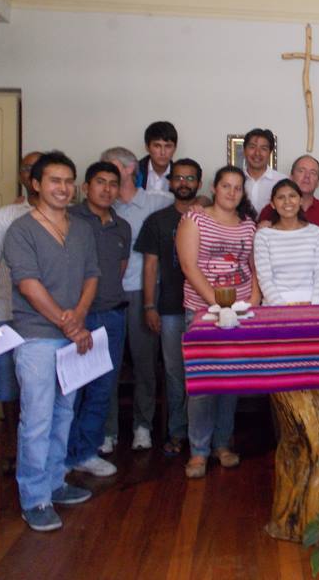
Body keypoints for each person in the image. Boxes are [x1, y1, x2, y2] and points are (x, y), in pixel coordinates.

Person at [3, 151, 99, 532]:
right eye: (55, 180)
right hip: (37, 338)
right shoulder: (21, 230)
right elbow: (29, 285)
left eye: (68, 181)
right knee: (37, 419)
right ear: (36, 184)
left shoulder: (82, 229)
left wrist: (79, 316)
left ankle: (55, 482)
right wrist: (67, 323)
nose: (63, 188)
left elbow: (92, 276)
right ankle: (34, 498)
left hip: (74, 336)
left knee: (64, 415)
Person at [176, 165, 261, 478]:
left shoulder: (248, 225)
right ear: (214, 188)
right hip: (203, 311)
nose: (232, 192)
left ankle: (222, 443)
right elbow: (189, 265)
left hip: (239, 312)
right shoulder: (195, 219)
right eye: (226, 186)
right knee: (202, 382)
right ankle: (198, 450)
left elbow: (254, 266)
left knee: (229, 380)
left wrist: (254, 299)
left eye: (238, 188)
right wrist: (217, 303)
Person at [104, 146, 173, 452]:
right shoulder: (103, 205)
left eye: (111, 167)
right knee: (107, 366)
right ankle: (107, 431)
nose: (105, 174)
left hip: (144, 292)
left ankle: (142, 426)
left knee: (145, 364)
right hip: (105, 295)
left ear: (130, 168)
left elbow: (193, 203)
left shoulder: (157, 201)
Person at [64, 162, 131, 478]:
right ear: (86, 187)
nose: (107, 189)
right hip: (76, 316)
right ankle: (63, 456)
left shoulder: (122, 226)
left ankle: (85, 452)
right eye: (100, 182)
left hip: (113, 314)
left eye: (113, 183)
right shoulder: (69, 219)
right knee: (71, 390)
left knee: (102, 388)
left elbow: (119, 269)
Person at [0, 150, 41, 469]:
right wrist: (11, 283)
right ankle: (13, 449)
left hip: (48, 318)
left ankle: (39, 451)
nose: (33, 173)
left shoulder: (67, 215)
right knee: (7, 384)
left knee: (43, 386)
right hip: (7, 313)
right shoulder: (5, 215)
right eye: (28, 168)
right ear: (22, 176)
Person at [135, 158, 203, 455]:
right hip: (171, 306)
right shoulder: (157, 220)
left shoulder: (208, 216)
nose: (184, 183)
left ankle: (203, 434)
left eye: (190, 178)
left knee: (203, 372)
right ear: (170, 182)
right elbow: (150, 266)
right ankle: (177, 431)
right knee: (175, 372)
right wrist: (149, 306)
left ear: (199, 183)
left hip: (205, 307)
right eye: (179, 178)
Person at [254, 179, 319, 305]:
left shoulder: (317, 233)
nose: (287, 201)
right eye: (281, 197)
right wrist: (283, 309)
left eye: (292, 196)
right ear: (272, 204)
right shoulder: (263, 236)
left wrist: (315, 306)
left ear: (301, 200)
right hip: (275, 307)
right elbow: (265, 279)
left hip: (312, 305)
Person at [258, 155, 319, 230]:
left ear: (318, 182)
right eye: (301, 171)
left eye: (313, 172)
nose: (307, 176)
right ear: (291, 177)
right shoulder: (271, 209)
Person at [241, 128, 288, 216]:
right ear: (244, 150)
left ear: (270, 153)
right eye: (252, 147)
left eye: (263, 148)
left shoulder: (283, 181)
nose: (257, 153)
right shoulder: (236, 180)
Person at [135, 121, 178, 194]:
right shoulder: (134, 172)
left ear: (175, 148)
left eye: (168, 146)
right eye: (157, 146)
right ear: (147, 147)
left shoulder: (180, 175)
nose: (163, 152)